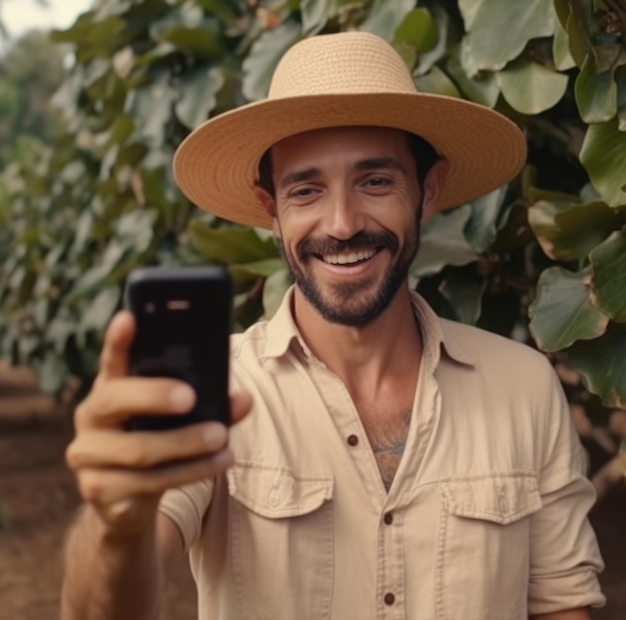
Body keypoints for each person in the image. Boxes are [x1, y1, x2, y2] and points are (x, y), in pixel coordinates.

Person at [61, 32, 605, 620]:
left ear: (429, 191)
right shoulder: (211, 391)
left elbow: (563, 605)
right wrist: (115, 525)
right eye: (306, 190)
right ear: (272, 210)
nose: (342, 224)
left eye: (376, 182)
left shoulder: (522, 386)